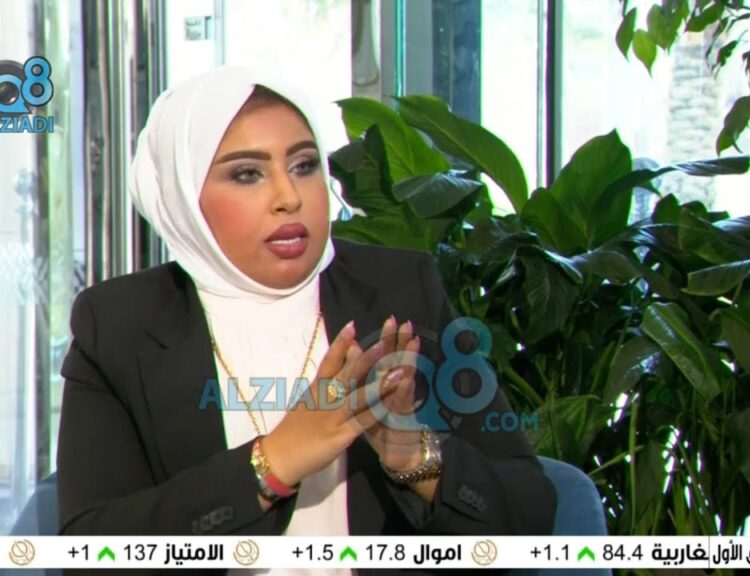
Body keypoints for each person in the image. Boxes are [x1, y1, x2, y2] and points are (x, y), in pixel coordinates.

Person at [56, 66, 556, 574]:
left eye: (304, 165)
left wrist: (415, 458)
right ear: (182, 197)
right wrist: (273, 464)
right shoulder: (118, 324)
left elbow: (529, 515)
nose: (289, 197)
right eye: (247, 174)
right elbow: (89, 554)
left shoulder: (400, 293)